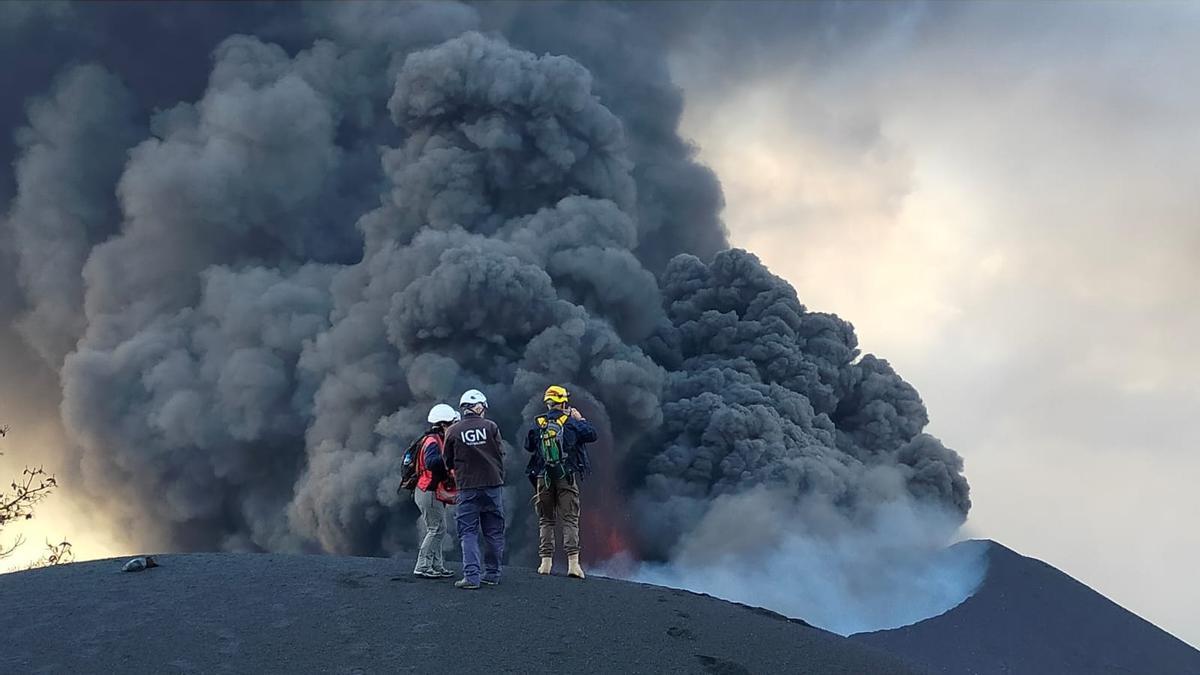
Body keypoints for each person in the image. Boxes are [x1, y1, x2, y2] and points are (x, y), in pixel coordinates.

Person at [525, 385, 597, 579]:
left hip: (543, 477)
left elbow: (528, 446)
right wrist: (579, 419)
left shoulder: (537, 423)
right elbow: (592, 434)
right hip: (566, 476)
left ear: (548, 403)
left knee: (546, 519)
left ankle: (545, 563)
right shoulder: (572, 423)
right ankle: (573, 565)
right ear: (564, 402)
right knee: (570, 518)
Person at [442, 389, 506, 590]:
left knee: (468, 532)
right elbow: (501, 452)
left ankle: (472, 577)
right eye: (483, 407)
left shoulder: (452, 431)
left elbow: (447, 460)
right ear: (477, 407)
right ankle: (493, 574)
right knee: (494, 532)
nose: (484, 411)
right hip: (492, 486)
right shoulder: (491, 427)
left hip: (468, 488)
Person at [412, 403, 460, 579]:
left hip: (430, 491)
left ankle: (437, 565)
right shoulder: (433, 441)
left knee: (440, 528)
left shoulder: (436, 439)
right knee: (436, 529)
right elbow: (432, 462)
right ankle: (422, 566)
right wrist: (449, 458)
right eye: (451, 423)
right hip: (428, 491)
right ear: (442, 424)